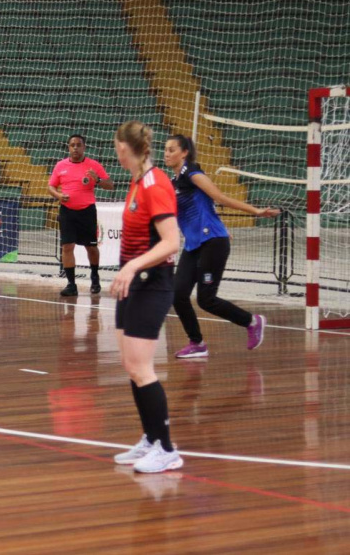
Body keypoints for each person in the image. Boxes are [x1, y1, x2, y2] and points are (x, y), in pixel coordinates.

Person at [109, 121, 183, 474]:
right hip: (134, 282)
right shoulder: (137, 181)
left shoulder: (156, 184)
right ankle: (151, 439)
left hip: (153, 283)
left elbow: (172, 242)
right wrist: (126, 270)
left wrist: (132, 266)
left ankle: (168, 449)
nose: (114, 150)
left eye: (115, 145)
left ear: (125, 147)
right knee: (130, 366)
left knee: (141, 367)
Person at [164, 135, 279, 358]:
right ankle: (197, 343)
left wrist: (256, 211)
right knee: (177, 294)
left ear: (184, 152)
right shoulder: (173, 183)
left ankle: (252, 321)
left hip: (212, 243)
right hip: (193, 245)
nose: (166, 153)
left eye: (171, 150)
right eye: (165, 150)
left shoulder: (193, 173)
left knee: (206, 300)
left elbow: (220, 197)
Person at [47, 134, 115, 296]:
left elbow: (111, 185)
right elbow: (50, 186)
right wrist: (58, 196)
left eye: (78, 145)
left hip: (87, 212)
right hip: (67, 211)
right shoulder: (60, 166)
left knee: (91, 247)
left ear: (84, 147)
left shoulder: (94, 165)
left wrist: (97, 180)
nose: (75, 148)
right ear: (68, 148)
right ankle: (71, 284)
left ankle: (95, 277)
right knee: (67, 247)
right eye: (72, 145)